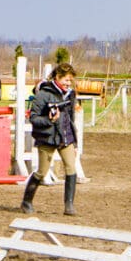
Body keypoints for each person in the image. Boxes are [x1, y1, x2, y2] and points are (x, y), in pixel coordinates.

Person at [19, 62, 80, 216]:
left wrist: (75, 141)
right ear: (58, 77)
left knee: (71, 169)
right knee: (41, 172)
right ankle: (26, 201)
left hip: (65, 137)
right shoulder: (43, 94)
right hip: (47, 138)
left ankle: (69, 205)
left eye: (70, 80)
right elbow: (33, 117)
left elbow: (70, 118)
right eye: (66, 80)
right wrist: (49, 120)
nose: (68, 83)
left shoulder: (70, 94)